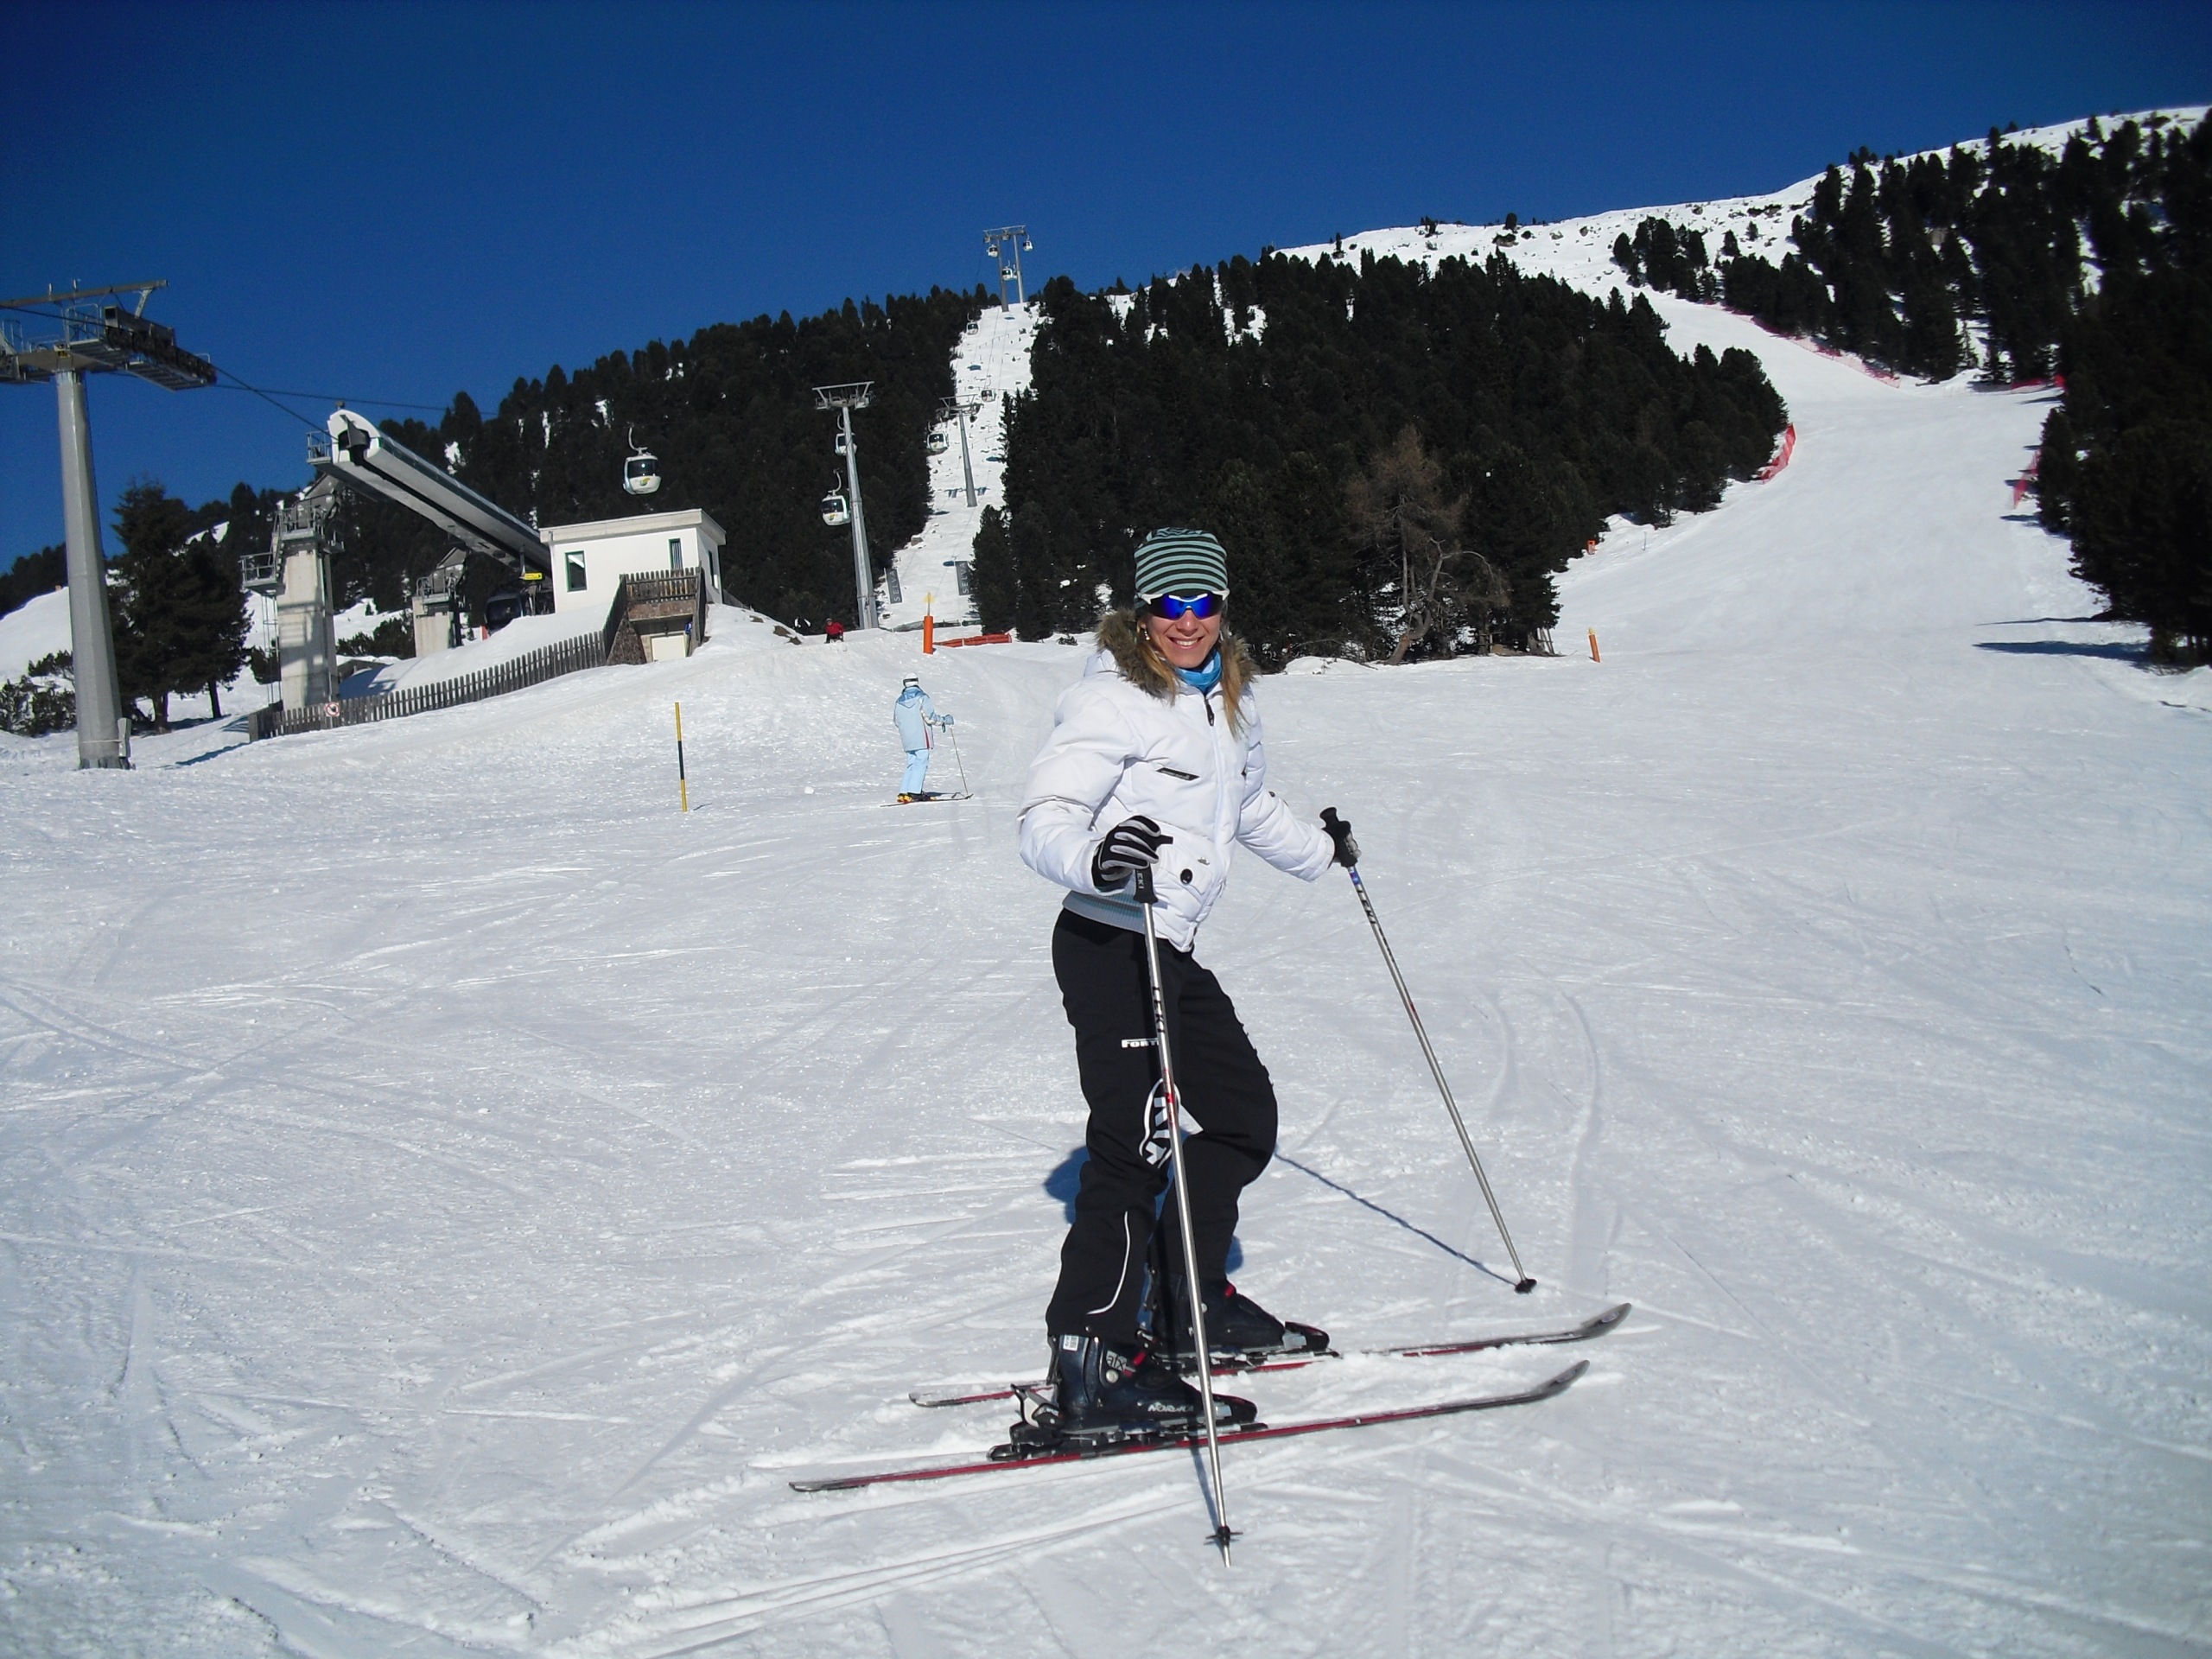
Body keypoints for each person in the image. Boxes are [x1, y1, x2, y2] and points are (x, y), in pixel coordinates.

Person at [1017, 528, 1361, 1443]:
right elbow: (1045, 817)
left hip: (1166, 946)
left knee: (1242, 1118)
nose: (1186, 621)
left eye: (1202, 602)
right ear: (1142, 614)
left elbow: (1244, 804)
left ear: (1222, 606)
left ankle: (1186, 1302)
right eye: (1168, 604)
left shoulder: (1228, 702)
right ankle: (1090, 1358)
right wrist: (1095, 859)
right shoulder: (1111, 701)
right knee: (1134, 1148)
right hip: (1108, 939)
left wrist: (1323, 853)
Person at [893, 675, 952, 801]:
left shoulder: (899, 701)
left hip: (907, 738)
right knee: (921, 762)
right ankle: (915, 791)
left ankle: (904, 791)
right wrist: (944, 720)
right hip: (921, 736)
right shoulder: (922, 697)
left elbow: (897, 721)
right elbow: (930, 717)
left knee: (912, 762)